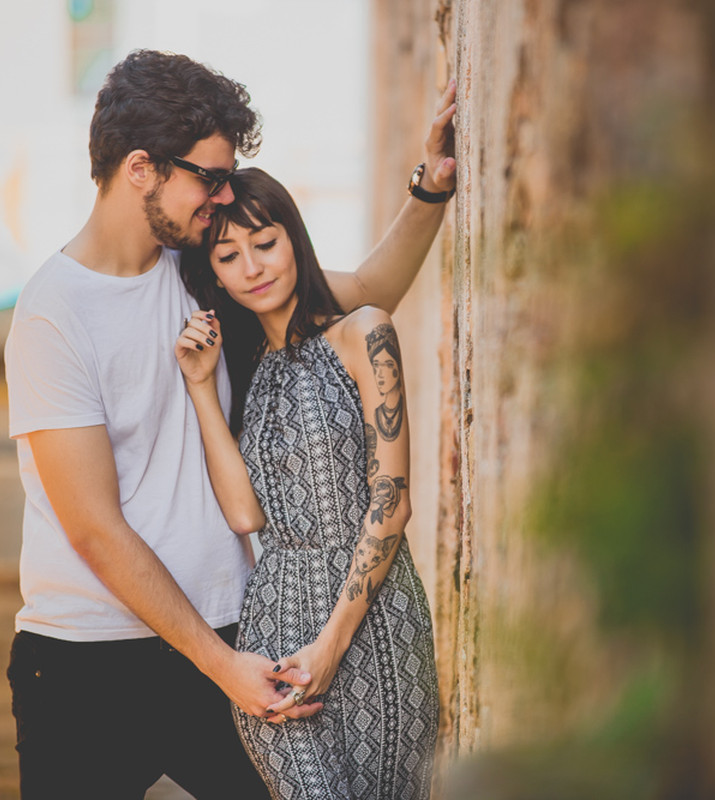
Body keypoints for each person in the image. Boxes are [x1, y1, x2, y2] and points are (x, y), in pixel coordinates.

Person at [3, 49, 455, 799]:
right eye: (208, 179)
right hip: (87, 660)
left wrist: (430, 188)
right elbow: (93, 529)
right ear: (143, 168)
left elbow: (365, 292)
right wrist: (224, 669)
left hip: (235, 632)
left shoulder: (203, 272)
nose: (220, 199)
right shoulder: (53, 314)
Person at [176, 167, 439, 799]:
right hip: (274, 628)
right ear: (214, 275)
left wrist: (330, 645)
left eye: (265, 243)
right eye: (229, 256)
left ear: (294, 238)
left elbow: (392, 504)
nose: (252, 267)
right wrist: (201, 388)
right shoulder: (248, 369)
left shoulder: (363, 331)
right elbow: (245, 515)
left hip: (378, 622)